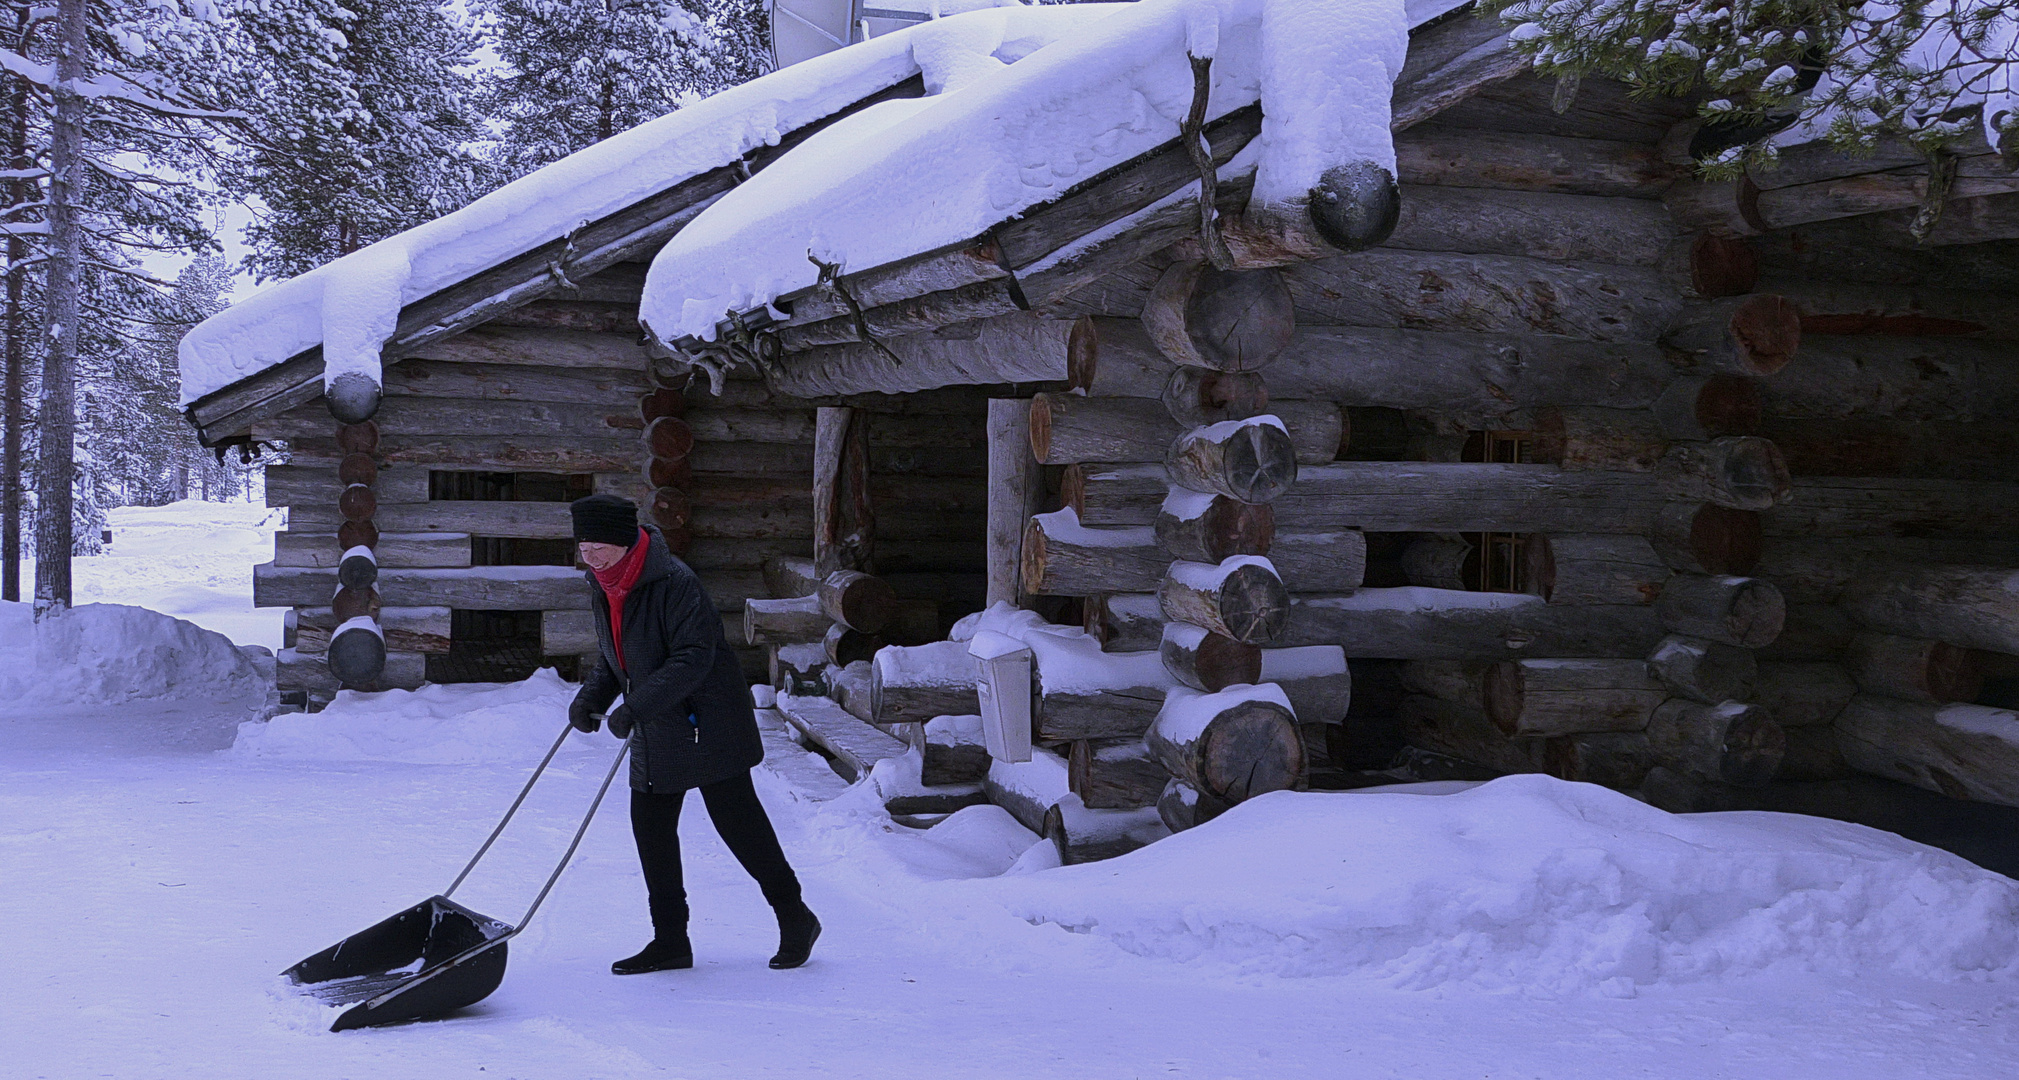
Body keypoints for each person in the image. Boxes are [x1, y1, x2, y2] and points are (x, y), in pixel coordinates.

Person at [567, 493, 820, 975]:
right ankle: (670, 941)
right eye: (584, 545)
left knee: (739, 825)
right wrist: (592, 699)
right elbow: (617, 654)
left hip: (707, 720)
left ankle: (795, 915)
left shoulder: (674, 583)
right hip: (658, 724)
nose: (591, 555)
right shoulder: (604, 583)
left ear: (624, 542)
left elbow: (692, 658)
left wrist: (635, 705)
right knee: (651, 828)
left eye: (599, 545)